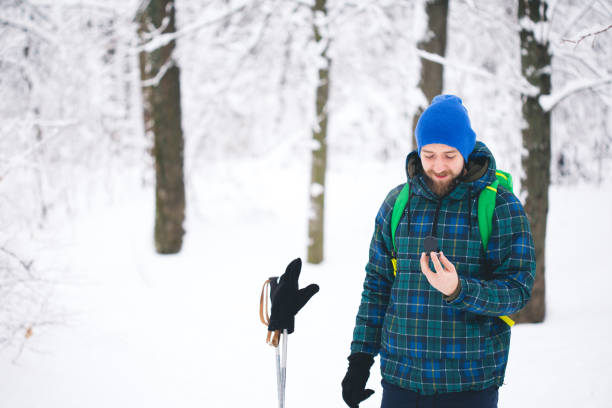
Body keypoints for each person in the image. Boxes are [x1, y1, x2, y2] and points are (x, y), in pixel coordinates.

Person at [341, 95, 536, 408]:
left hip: (469, 383)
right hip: (401, 382)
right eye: (429, 155)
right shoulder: (397, 205)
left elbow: (518, 290)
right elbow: (377, 287)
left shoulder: (499, 205)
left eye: (449, 155)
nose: (438, 166)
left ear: (467, 150)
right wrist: (360, 361)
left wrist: (459, 290)